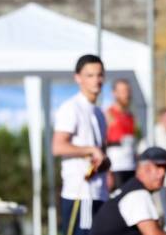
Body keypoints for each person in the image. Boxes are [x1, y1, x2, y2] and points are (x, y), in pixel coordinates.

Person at [52, 54, 111, 235]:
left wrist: (105, 162)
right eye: (90, 75)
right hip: (81, 192)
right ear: (78, 78)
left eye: (99, 75)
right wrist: (90, 150)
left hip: (99, 191)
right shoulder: (71, 108)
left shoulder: (99, 112)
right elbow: (58, 146)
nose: (96, 80)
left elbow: (101, 151)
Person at [90, 147, 166, 235]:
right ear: (143, 168)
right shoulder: (137, 195)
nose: (163, 173)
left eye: (165, 168)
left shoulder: (130, 189)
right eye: (158, 167)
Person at [137, 109, 166, 232]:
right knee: (160, 213)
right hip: (160, 182)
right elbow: (142, 152)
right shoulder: (155, 134)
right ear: (161, 119)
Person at [105, 79, 136, 190]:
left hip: (131, 167)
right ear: (114, 93)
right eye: (122, 91)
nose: (126, 94)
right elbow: (102, 143)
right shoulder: (108, 114)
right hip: (115, 169)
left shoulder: (130, 116)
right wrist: (107, 172)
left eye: (127, 91)